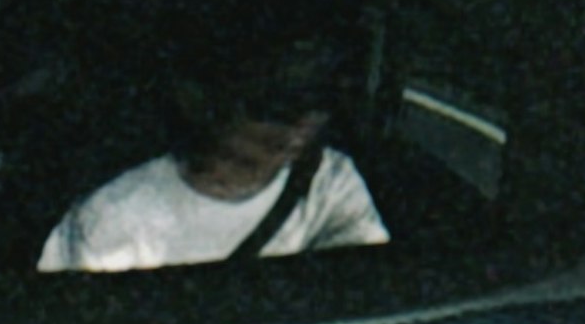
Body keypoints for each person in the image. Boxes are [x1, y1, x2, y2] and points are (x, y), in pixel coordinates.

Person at [37, 33, 388, 269]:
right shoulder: (110, 220)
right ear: (205, 102)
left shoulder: (329, 185)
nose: (301, 124)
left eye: (319, 101)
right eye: (276, 105)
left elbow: (365, 292)